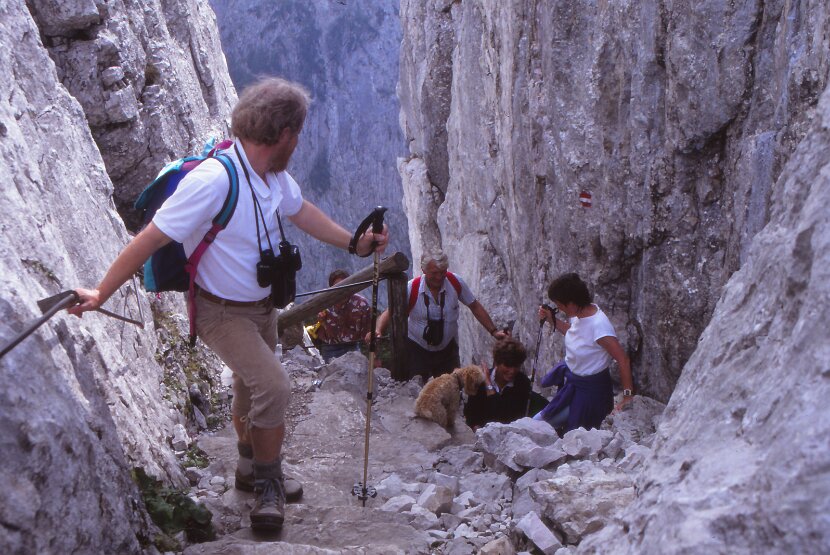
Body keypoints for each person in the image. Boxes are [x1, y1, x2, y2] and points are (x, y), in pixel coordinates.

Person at [68, 77, 388, 533]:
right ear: (283, 135)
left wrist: (356, 243)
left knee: (246, 385)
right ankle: (269, 484)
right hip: (221, 311)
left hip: (263, 307)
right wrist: (102, 292)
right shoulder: (215, 180)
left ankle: (246, 468)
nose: (299, 142)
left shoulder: (272, 175)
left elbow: (304, 213)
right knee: (274, 386)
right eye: (297, 133)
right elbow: (151, 238)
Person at [372, 249, 506, 381]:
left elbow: (474, 305)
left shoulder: (455, 283)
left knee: (450, 388)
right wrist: (378, 330)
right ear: (424, 270)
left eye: (443, 272)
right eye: (434, 273)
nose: (439, 277)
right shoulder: (411, 288)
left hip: (447, 350)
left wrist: (493, 331)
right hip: (417, 349)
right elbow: (391, 311)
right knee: (418, 387)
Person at [533, 273, 633, 434]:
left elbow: (623, 360)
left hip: (591, 394)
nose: (559, 309)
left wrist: (627, 396)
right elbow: (574, 333)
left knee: (537, 428)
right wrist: (553, 320)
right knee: (536, 425)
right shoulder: (579, 315)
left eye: (559, 305)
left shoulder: (599, 325)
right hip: (574, 386)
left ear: (571, 304)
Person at [464, 337, 531, 430]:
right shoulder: (478, 382)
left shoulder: (522, 383)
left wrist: (488, 384)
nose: (512, 371)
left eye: (516, 366)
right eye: (507, 365)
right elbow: (471, 416)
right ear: (497, 362)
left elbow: (503, 416)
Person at [316, 269, 371, 362]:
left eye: (344, 285)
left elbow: (369, 330)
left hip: (352, 346)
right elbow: (321, 324)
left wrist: (374, 354)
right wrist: (321, 320)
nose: (341, 289)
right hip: (330, 347)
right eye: (337, 286)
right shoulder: (325, 301)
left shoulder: (360, 303)